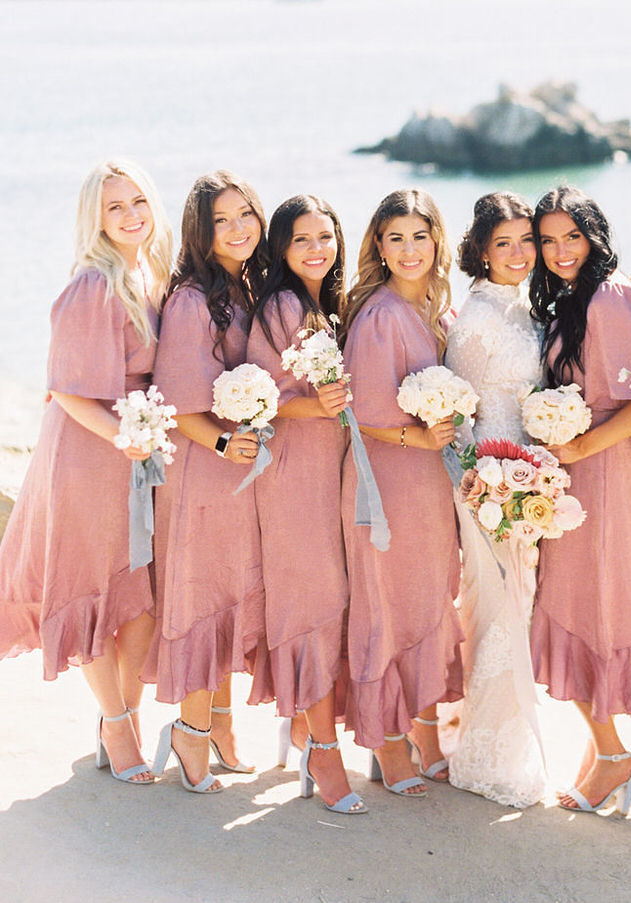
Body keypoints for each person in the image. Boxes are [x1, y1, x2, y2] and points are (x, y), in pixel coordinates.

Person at [0, 159, 172, 785]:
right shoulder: (92, 285)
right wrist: (125, 435)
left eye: (137, 203)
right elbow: (68, 390)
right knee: (96, 592)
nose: (130, 216)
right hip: (88, 454)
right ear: (94, 220)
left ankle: (118, 716)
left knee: (141, 603)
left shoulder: (148, 274)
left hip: (136, 451)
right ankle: (120, 727)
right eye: (114, 208)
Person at [528, 185, 631, 816]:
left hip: (602, 475)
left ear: (594, 235)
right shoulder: (566, 300)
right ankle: (601, 749)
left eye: (571, 237)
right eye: (548, 240)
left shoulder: (612, 297)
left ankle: (615, 755)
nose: (559, 251)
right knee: (567, 602)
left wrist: (583, 450)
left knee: (594, 607)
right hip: (567, 475)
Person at [144, 171, 269, 793]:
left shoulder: (245, 287)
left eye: (245, 213)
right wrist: (223, 439)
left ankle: (218, 721)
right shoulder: (194, 299)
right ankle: (188, 731)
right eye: (222, 220)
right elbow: (174, 402)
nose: (239, 228)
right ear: (202, 231)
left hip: (238, 472)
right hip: (200, 470)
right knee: (201, 596)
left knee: (229, 594)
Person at [341, 188, 463, 798]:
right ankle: (387, 743)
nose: (409, 250)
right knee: (386, 604)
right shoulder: (381, 315)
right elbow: (362, 414)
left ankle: (424, 728)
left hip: (430, 487)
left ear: (437, 240)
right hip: (386, 483)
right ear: (379, 247)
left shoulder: (439, 312)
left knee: (428, 600)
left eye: (420, 236)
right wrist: (421, 436)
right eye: (396, 239)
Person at [246, 195, 364, 813]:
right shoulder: (282, 306)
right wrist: (310, 406)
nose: (318, 249)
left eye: (326, 236)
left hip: (332, 471)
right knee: (316, 600)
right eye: (302, 240)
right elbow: (255, 397)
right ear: (281, 250)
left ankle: (306, 724)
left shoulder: (327, 305)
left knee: (335, 598)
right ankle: (322, 746)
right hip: (293, 472)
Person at [444, 191, 545, 807]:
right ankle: (489, 755)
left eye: (525, 241)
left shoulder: (522, 309)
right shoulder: (477, 319)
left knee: (519, 605)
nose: (517, 253)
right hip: (487, 480)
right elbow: (457, 413)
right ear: (480, 249)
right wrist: (477, 481)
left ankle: (498, 741)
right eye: (502, 243)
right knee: (498, 606)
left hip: (528, 474)